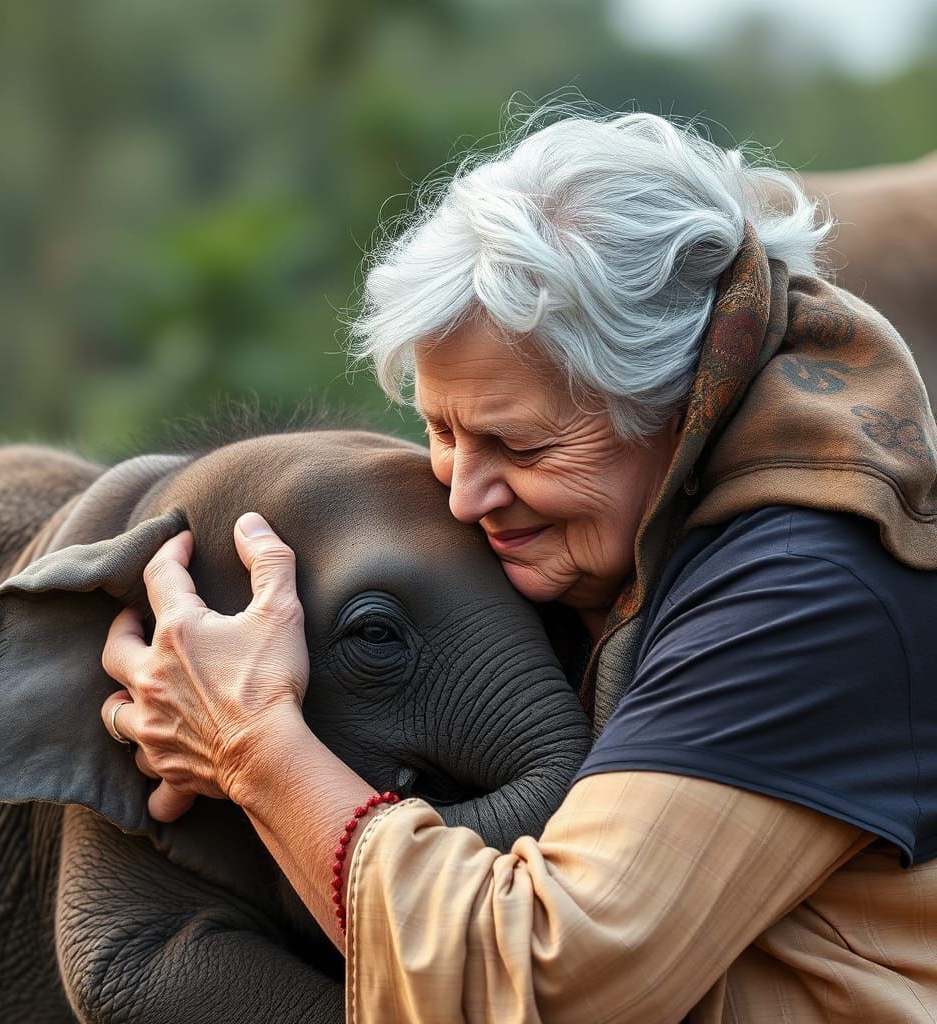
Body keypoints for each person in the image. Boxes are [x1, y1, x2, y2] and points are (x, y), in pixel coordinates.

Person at [99, 108, 937, 1022]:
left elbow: (538, 981)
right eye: (440, 429)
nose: (464, 496)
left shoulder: (806, 586)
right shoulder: (626, 530)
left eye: (522, 446)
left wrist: (253, 746)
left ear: (683, 401)